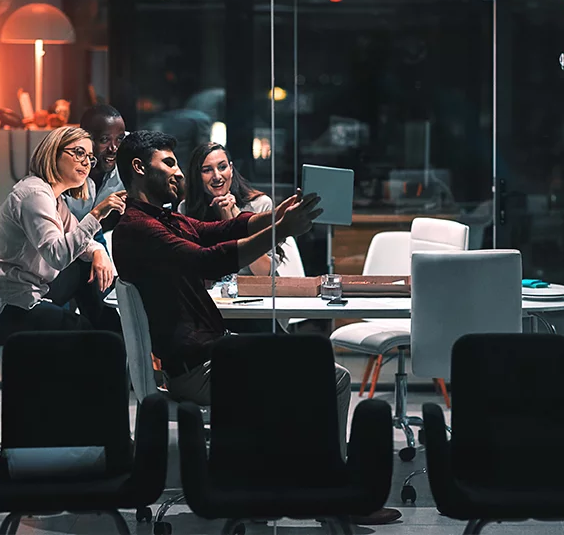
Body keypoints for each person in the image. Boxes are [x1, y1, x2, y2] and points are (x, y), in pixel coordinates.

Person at [111, 130, 401, 525]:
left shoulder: (161, 218)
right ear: (139, 168)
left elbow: (222, 230)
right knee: (330, 378)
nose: (179, 172)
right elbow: (209, 259)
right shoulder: (139, 229)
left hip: (209, 355)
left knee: (326, 374)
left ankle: (311, 483)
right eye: (170, 163)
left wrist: (278, 215)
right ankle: (330, 491)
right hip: (197, 368)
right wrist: (281, 229)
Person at [0, 126, 126, 345]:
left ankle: (118, 340)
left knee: (85, 270)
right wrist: (96, 214)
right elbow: (57, 255)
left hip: (21, 294)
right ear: (54, 153)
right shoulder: (34, 195)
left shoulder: (54, 199)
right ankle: (116, 344)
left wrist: (98, 252)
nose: (86, 162)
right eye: (79, 153)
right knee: (84, 332)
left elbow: (79, 239)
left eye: (90, 157)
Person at [179, 142, 276, 276]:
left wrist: (236, 220)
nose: (217, 176)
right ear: (196, 176)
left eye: (222, 167)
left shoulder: (260, 204)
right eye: (207, 170)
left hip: (251, 286)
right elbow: (189, 266)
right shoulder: (186, 208)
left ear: (231, 169)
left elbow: (264, 272)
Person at [63, 104, 127, 246]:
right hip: (68, 245)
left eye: (119, 139)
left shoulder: (130, 156)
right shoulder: (64, 172)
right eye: (104, 140)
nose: (114, 148)